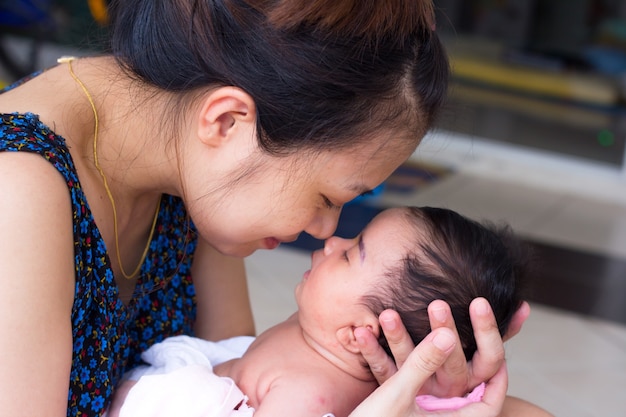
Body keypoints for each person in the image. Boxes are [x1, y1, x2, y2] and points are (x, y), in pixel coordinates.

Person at [0, 0, 534, 416]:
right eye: (327, 198)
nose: (326, 231)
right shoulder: (18, 186)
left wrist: (424, 395)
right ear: (229, 121)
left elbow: (242, 378)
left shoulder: (187, 161)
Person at [106, 206, 540, 417]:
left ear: (358, 333)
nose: (332, 242)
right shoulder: (321, 330)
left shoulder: (309, 390)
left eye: (351, 254)